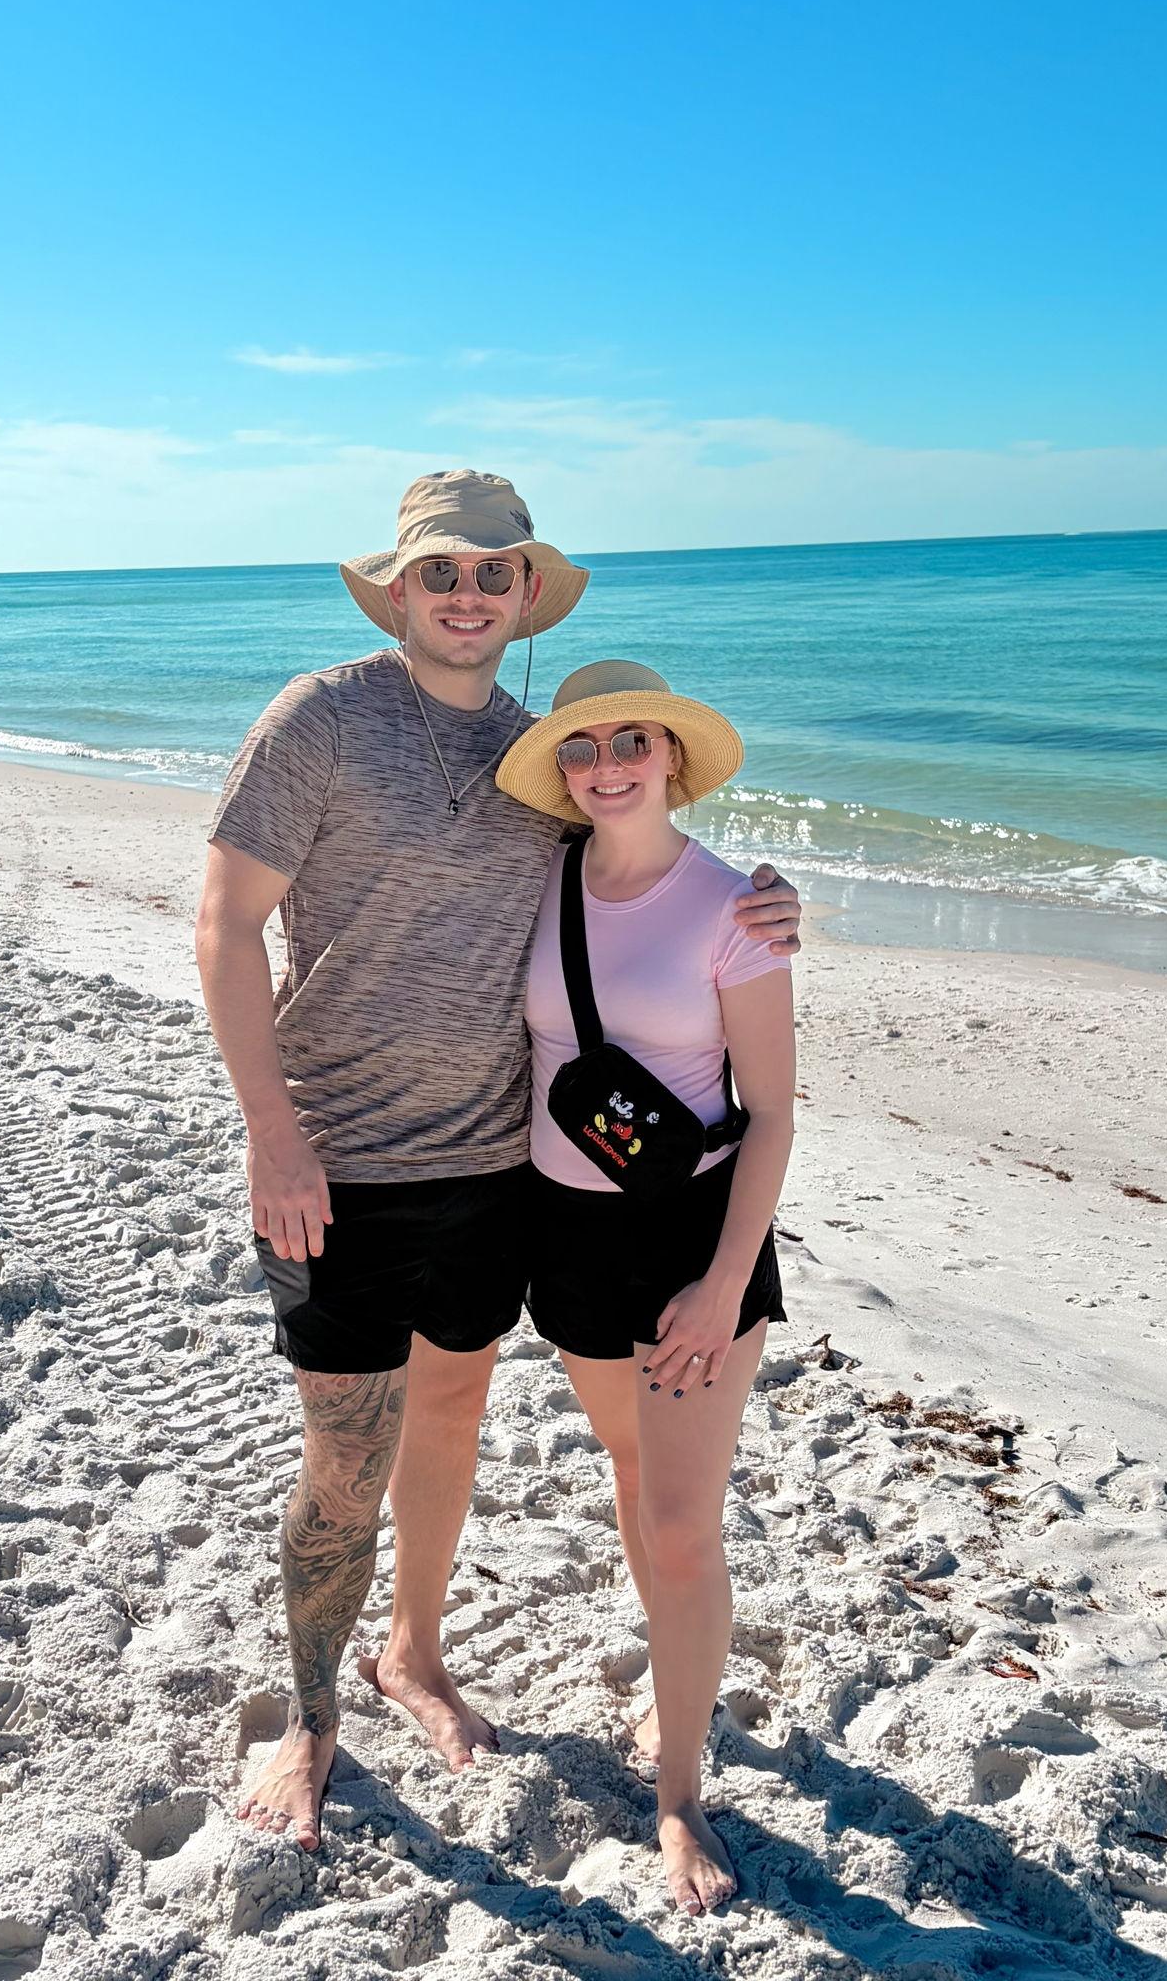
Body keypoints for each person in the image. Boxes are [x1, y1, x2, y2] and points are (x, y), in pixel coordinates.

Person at [193, 472, 802, 1851]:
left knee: (455, 1409)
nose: (465, 595)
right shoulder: (319, 719)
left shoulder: (547, 759)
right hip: (334, 1159)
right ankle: (311, 1722)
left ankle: (413, 1652)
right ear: (398, 588)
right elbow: (226, 926)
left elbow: (655, 870)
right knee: (343, 1461)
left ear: (526, 593)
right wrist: (271, 1132)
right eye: (441, 571)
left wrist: (773, 903)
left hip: (495, 1171)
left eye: (492, 572)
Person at [493, 662, 796, 1917]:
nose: (606, 763)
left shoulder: (735, 908)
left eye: (631, 741)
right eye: (582, 746)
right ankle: (678, 1679)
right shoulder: (537, 875)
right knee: (629, 1468)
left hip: (691, 1237)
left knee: (679, 1524)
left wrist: (723, 1283)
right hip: (564, 1227)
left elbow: (771, 1113)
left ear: (670, 755)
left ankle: (678, 1788)